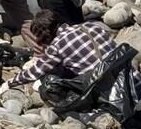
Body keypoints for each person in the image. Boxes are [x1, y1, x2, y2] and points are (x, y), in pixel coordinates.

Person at [8, 9, 140, 92]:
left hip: (110, 90)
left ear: (45, 36)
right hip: (131, 78)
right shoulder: (91, 26)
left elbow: (35, 72)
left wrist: (10, 83)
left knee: (48, 84)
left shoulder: (57, 45)